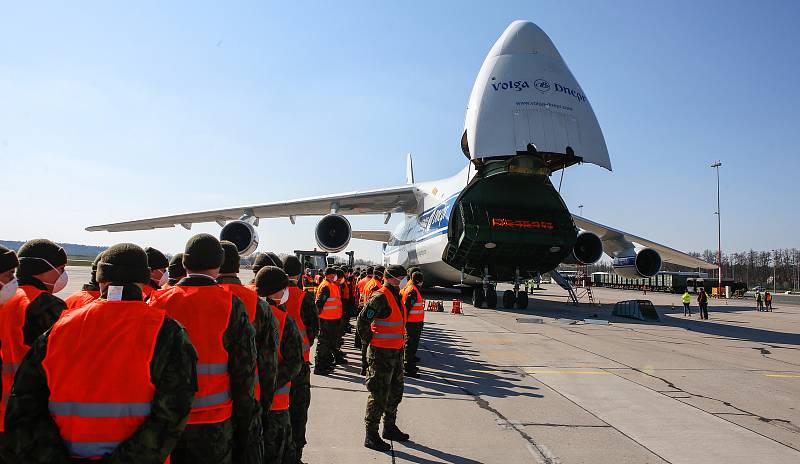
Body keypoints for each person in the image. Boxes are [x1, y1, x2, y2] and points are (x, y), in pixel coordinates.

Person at [6, 243, 198, 463]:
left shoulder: (59, 328)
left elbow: (25, 403)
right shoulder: (166, 331)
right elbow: (172, 415)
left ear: (101, 280)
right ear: (145, 280)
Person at [149, 234, 262, 464]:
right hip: (215, 421)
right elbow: (244, 370)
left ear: (184, 263)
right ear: (219, 265)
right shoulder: (230, 304)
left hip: (166, 420)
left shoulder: (157, 302)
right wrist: (246, 422)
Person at [0, 239, 68, 460]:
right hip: (30, 416)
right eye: (60, 269)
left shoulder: (6, 299)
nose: (62, 275)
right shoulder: (47, 306)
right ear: (43, 270)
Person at [216, 241, 280, 414]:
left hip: (204, 404)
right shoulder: (257, 303)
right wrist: (265, 404)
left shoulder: (186, 299)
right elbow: (269, 361)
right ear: (238, 266)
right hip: (249, 398)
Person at [357, 265, 409, 452]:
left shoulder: (397, 295)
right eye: (402, 277)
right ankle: (371, 434)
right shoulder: (380, 297)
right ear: (394, 278)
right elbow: (363, 321)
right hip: (381, 354)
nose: (404, 280)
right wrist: (370, 342)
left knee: (396, 391)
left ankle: (389, 427)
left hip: (395, 352)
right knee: (378, 394)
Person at [255, 266, 304, 464]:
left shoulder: (242, 311)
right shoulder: (282, 319)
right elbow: (294, 363)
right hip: (275, 404)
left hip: (247, 403)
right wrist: (269, 385)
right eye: (283, 289)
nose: (287, 293)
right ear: (274, 291)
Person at [282, 256, 319, 462]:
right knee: (298, 409)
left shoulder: (268, 294)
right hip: (299, 363)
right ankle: (295, 454)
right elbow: (314, 328)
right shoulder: (303, 297)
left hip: (273, 363)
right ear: (299, 274)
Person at [314, 267, 343, 375]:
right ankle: (319, 366)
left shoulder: (331, 285)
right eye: (334, 275)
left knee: (328, 342)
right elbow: (319, 304)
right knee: (323, 343)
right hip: (326, 319)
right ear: (330, 275)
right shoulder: (326, 286)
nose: (336, 277)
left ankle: (325, 363)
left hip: (332, 319)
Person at [401, 271, 425, 378]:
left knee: (411, 345)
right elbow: (407, 308)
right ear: (418, 281)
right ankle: (408, 368)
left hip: (415, 323)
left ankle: (410, 364)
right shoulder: (413, 291)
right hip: (412, 324)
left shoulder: (412, 289)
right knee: (410, 345)